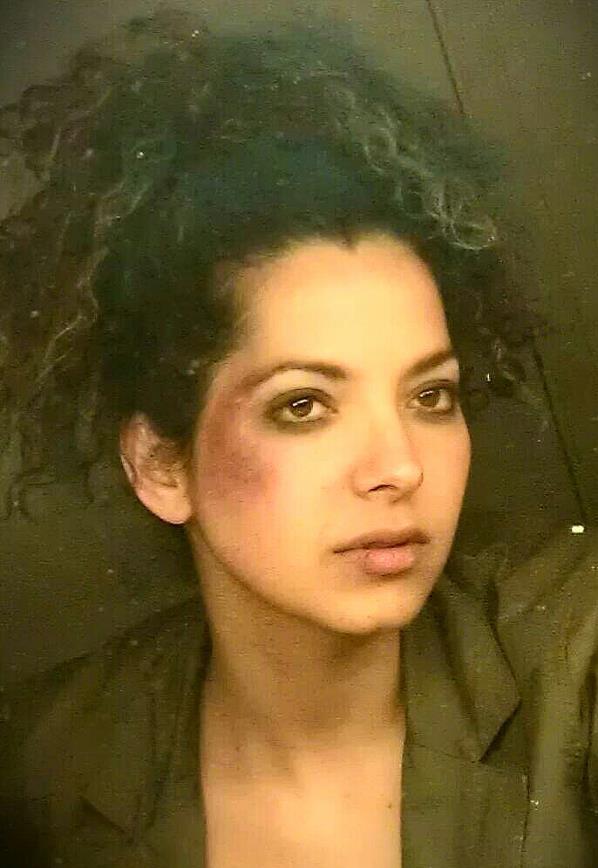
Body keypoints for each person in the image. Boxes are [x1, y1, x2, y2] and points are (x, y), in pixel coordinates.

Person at [1, 10, 597, 867]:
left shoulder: (575, 650)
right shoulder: (44, 767)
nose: (399, 467)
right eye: (305, 406)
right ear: (162, 464)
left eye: (431, 395)